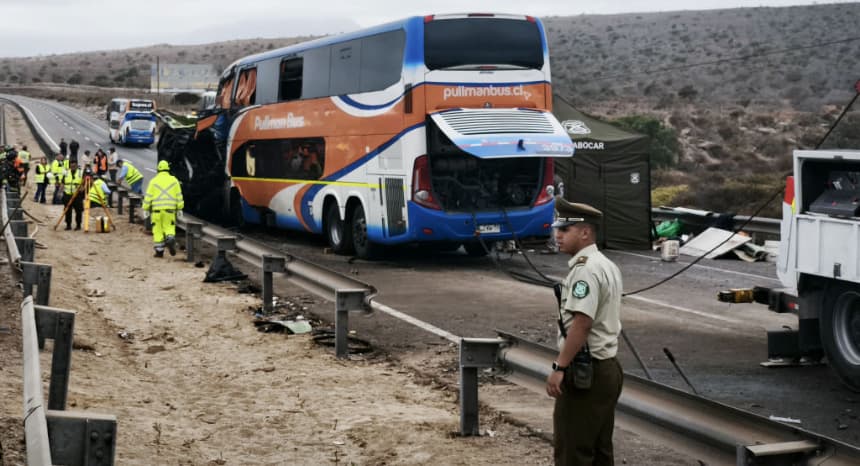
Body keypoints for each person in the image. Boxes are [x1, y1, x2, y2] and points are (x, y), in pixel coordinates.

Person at [545, 197, 623, 466]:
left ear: (585, 232)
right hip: (607, 368)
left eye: (564, 230)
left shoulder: (585, 271)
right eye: (557, 229)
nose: (558, 236)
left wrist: (559, 367)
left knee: (573, 453)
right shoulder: (606, 264)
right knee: (600, 451)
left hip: (585, 373)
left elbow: (582, 323)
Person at [143, 160, 184, 257]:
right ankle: (170, 238)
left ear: (158, 170)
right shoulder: (174, 180)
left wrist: (145, 208)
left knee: (157, 230)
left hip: (156, 211)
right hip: (169, 211)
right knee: (169, 227)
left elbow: (148, 196)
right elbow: (179, 196)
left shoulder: (153, 181)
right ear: (168, 169)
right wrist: (179, 208)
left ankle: (159, 251)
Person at [61, 159, 84, 231]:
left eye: (74, 166)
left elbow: (86, 182)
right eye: (71, 166)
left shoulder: (81, 173)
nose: (73, 167)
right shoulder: (66, 173)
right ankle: (68, 225)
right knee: (67, 210)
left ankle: (78, 225)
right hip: (67, 194)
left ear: (77, 165)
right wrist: (60, 191)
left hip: (77, 195)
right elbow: (62, 182)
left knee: (78, 210)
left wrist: (83, 188)